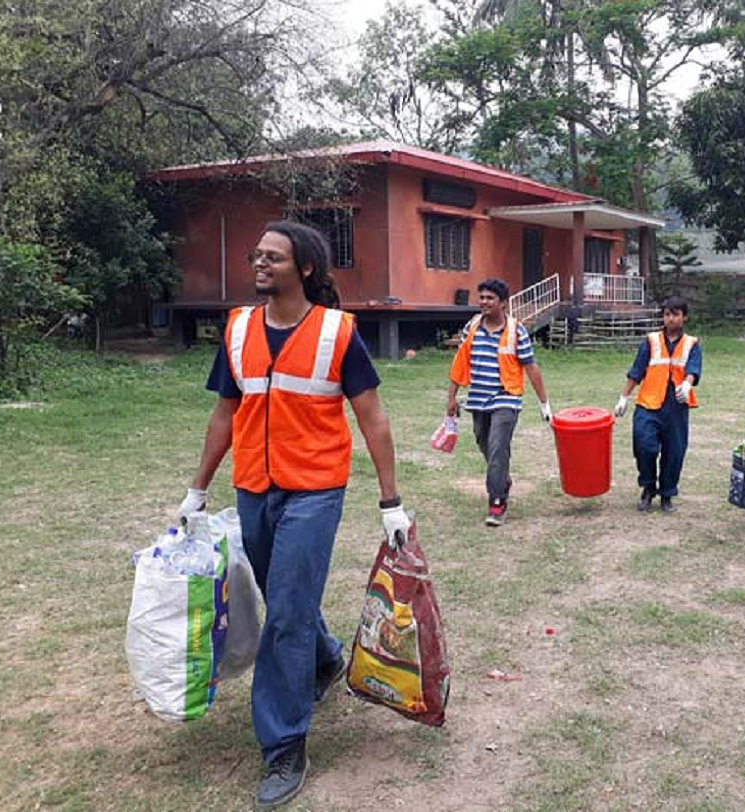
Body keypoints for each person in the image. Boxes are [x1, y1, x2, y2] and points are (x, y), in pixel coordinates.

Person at [176, 221, 411, 809]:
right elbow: (224, 416)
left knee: (284, 612)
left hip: (315, 490)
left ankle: (284, 742)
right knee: (287, 602)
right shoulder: (236, 330)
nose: (260, 264)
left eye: (273, 257)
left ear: (303, 267)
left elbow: (373, 418)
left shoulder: (337, 333)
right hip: (254, 486)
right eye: (257, 256)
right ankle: (328, 658)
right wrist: (197, 490)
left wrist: (391, 501)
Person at [446, 278, 552, 527]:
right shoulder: (471, 327)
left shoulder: (517, 331)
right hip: (477, 400)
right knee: (486, 445)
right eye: (481, 297)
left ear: (503, 304)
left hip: (507, 398)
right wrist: (451, 397)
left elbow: (531, 368)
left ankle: (496, 502)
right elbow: (460, 364)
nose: (484, 302)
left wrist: (544, 403)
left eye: (489, 298)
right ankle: (502, 480)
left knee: (496, 448)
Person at [613, 295, 702, 513]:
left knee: (675, 452)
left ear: (684, 317)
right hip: (648, 404)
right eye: (667, 314)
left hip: (676, 406)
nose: (671, 319)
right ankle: (648, 487)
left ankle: (667, 493)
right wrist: (624, 397)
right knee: (644, 446)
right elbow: (637, 371)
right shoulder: (651, 341)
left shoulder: (692, 344)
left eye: (676, 314)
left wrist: (687, 385)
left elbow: (693, 369)